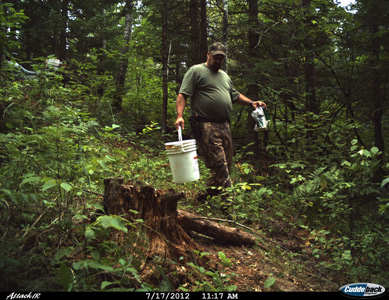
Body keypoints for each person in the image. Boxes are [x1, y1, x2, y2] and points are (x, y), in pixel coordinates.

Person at [174, 42, 267, 201]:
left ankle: (202, 198)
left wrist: (252, 103)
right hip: (206, 124)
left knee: (225, 166)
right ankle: (230, 207)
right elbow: (183, 95)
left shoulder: (224, 76)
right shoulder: (196, 71)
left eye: (221, 58)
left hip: (224, 125)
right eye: (216, 57)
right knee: (219, 165)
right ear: (208, 54)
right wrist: (179, 116)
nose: (218, 61)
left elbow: (235, 95)